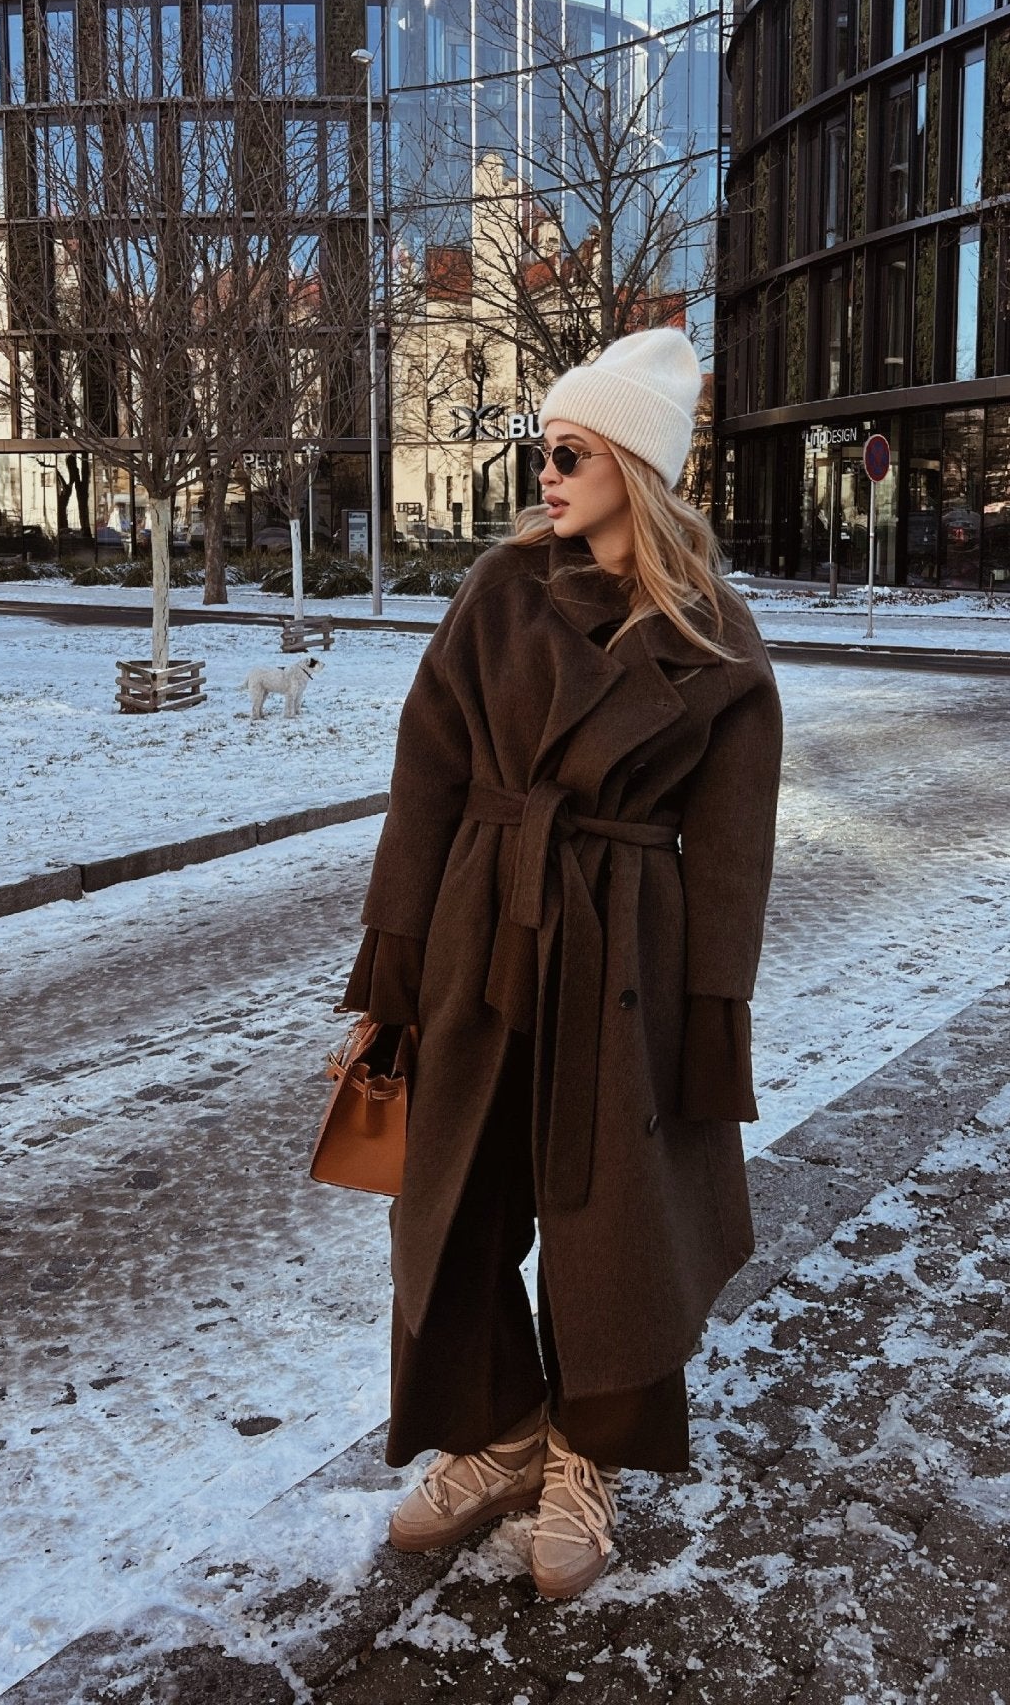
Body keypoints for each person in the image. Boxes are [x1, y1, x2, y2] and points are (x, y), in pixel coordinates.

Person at [337, 327, 783, 1599]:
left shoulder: (715, 636)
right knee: (458, 1187)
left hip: (625, 937)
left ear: (634, 466)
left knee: (612, 1212)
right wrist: (391, 971)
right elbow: (427, 778)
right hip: (482, 914)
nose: (546, 471)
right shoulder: (502, 589)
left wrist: (713, 1014)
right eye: (543, 448)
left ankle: (590, 1448)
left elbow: (734, 851)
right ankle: (501, 1429)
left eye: (572, 451)